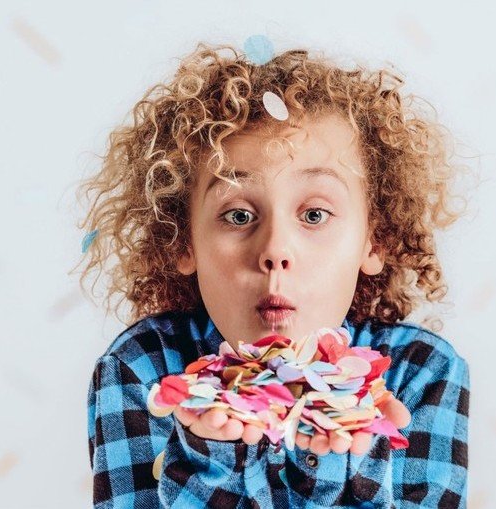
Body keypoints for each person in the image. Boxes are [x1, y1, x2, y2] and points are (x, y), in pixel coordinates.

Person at [76, 41, 471, 508]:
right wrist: (209, 456)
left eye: (315, 215)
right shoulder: (141, 371)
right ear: (183, 241)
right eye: (239, 216)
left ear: (375, 240)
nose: (275, 251)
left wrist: (325, 456)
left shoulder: (422, 373)